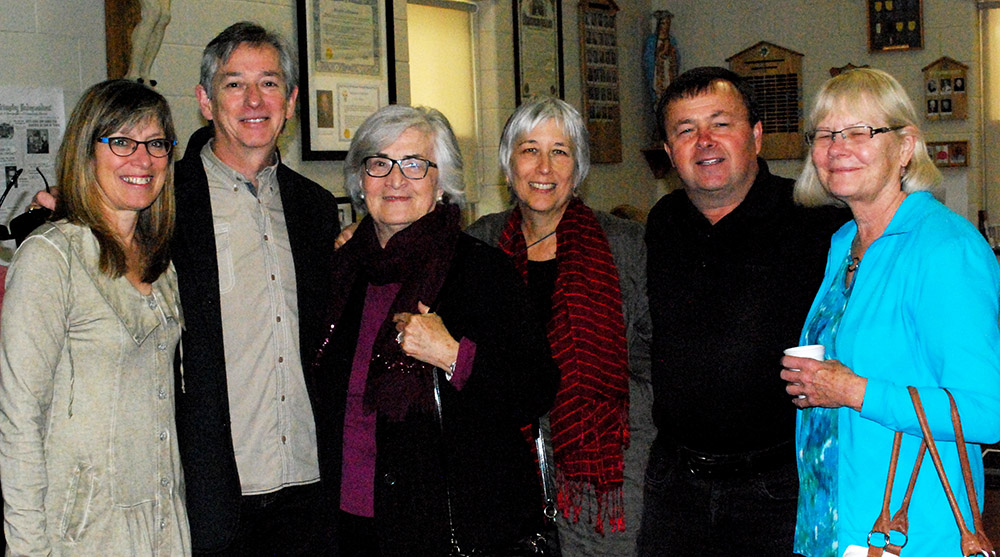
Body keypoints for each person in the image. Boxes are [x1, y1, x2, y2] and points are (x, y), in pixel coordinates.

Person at [310, 104, 559, 556]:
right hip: (348, 522)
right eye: (379, 163)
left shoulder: (483, 272)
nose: (395, 180)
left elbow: (535, 389)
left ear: (440, 182)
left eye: (414, 165)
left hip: (450, 528)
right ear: (360, 181)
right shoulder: (340, 273)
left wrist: (452, 354)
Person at [783, 68, 1000, 557]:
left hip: (907, 532)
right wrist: (815, 387)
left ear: (905, 147)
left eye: (860, 132)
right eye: (824, 134)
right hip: (833, 523)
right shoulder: (845, 243)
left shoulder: (945, 249)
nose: (838, 147)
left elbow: (989, 411)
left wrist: (853, 391)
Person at [638, 66, 847, 556]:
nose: (704, 141)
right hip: (674, 485)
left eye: (720, 124)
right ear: (669, 153)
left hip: (776, 488)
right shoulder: (662, 223)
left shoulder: (817, 222)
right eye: (685, 131)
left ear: (756, 135)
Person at [169, 22, 341, 554]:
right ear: (204, 99)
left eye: (268, 84)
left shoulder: (315, 208)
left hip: (310, 489)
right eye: (233, 83)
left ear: (290, 101)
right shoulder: (166, 202)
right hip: (214, 492)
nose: (253, 100)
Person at [0, 79, 189, 554]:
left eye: (156, 144)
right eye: (121, 142)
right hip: (83, 530)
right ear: (88, 151)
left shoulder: (161, 262)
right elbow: (19, 418)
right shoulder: (50, 258)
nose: (142, 160)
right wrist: (27, 548)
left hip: (163, 521)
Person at [465, 97, 654, 556]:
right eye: (529, 150)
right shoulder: (479, 245)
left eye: (560, 151)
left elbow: (654, 358)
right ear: (508, 166)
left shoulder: (626, 244)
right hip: (505, 467)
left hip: (606, 471)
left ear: (579, 167)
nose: (544, 167)